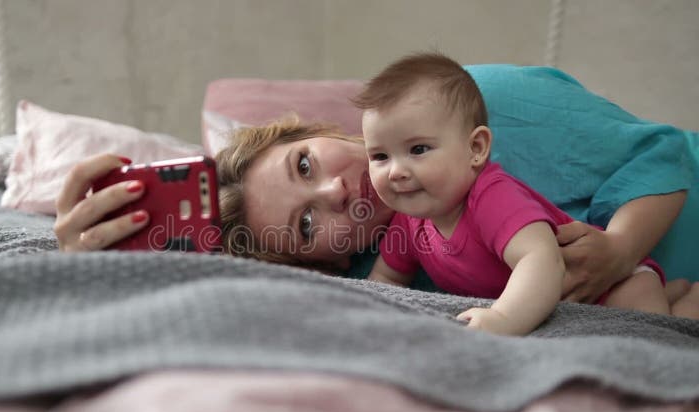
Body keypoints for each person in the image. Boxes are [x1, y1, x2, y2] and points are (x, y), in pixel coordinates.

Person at [54, 61, 698, 306]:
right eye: (308, 225)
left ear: (320, 132)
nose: (334, 193)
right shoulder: (381, 278)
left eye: (305, 164)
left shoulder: (475, 104)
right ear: (327, 260)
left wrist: (617, 249)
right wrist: (87, 276)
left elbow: (663, 151)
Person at [354, 52, 697, 335]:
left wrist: (503, 319)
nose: (395, 171)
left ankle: (684, 304)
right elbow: (386, 279)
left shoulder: (491, 197)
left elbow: (541, 261)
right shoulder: (409, 223)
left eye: (418, 149)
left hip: (616, 285)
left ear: (476, 148)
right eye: (380, 156)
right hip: (567, 308)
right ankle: (676, 295)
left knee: (654, 334)